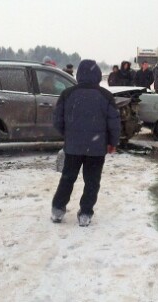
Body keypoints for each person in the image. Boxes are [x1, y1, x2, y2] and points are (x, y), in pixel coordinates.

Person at [51, 59, 120, 227]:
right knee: (92, 181)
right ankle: (86, 213)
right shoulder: (105, 96)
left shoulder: (68, 94)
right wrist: (113, 142)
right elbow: (114, 123)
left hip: (73, 147)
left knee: (67, 178)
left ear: (78, 74)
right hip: (96, 149)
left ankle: (58, 210)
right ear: (97, 74)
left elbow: (57, 120)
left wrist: (68, 135)